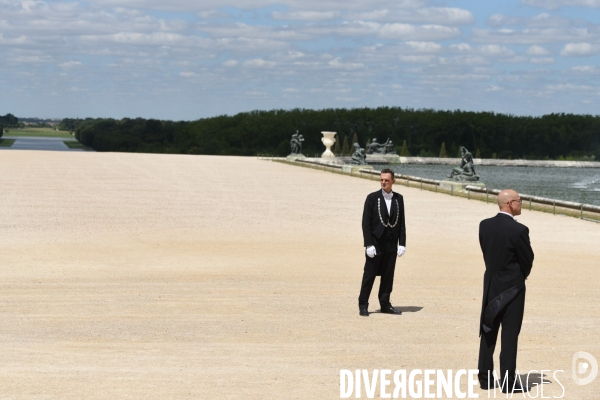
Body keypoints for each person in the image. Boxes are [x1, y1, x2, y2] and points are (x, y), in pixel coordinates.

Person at [477, 189, 534, 393]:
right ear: (510, 203)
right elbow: (527, 260)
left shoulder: (484, 225)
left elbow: (487, 252)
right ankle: (508, 382)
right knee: (510, 335)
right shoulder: (519, 230)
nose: (522, 204)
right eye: (520, 201)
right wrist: (518, 276)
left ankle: (485, 378)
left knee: (487, 330)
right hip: (513, 288)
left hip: (491, 284)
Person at [358, 169, 406, 316]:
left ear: (393, 181)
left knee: (388, 275)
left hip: (391, 244)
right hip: (376, 243)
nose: (383, 182)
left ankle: (385, 304)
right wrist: (368, 244)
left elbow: (402, 223)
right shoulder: (372, 198)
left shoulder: (399, 198)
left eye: (386, 180)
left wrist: (402, 243)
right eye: (382, 180)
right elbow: (366, 223)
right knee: (369, 274)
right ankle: (363, 304)